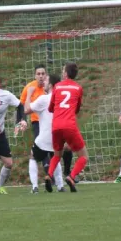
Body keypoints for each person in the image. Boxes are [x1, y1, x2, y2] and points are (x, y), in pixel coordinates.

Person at [46, 62, 88, 193]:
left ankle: (48, 175)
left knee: (57, 155)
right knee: (84, 156)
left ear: (65, 73)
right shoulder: (78, 88)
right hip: (69, 125)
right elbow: (77, 109)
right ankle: (71, 176)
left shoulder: (57, 87)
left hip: (56, 125)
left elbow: (50, 108)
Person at [24, 73, 66, 193]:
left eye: (46, 81)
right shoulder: (62, 99)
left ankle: (35, 187)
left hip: (45, 137)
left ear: (51, 85)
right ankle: (60, 186)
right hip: (59, 136)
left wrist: (29, 94)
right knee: (56, 157)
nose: (44, 84)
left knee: (33, 157)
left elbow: (26, 110)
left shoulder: (44, 98)